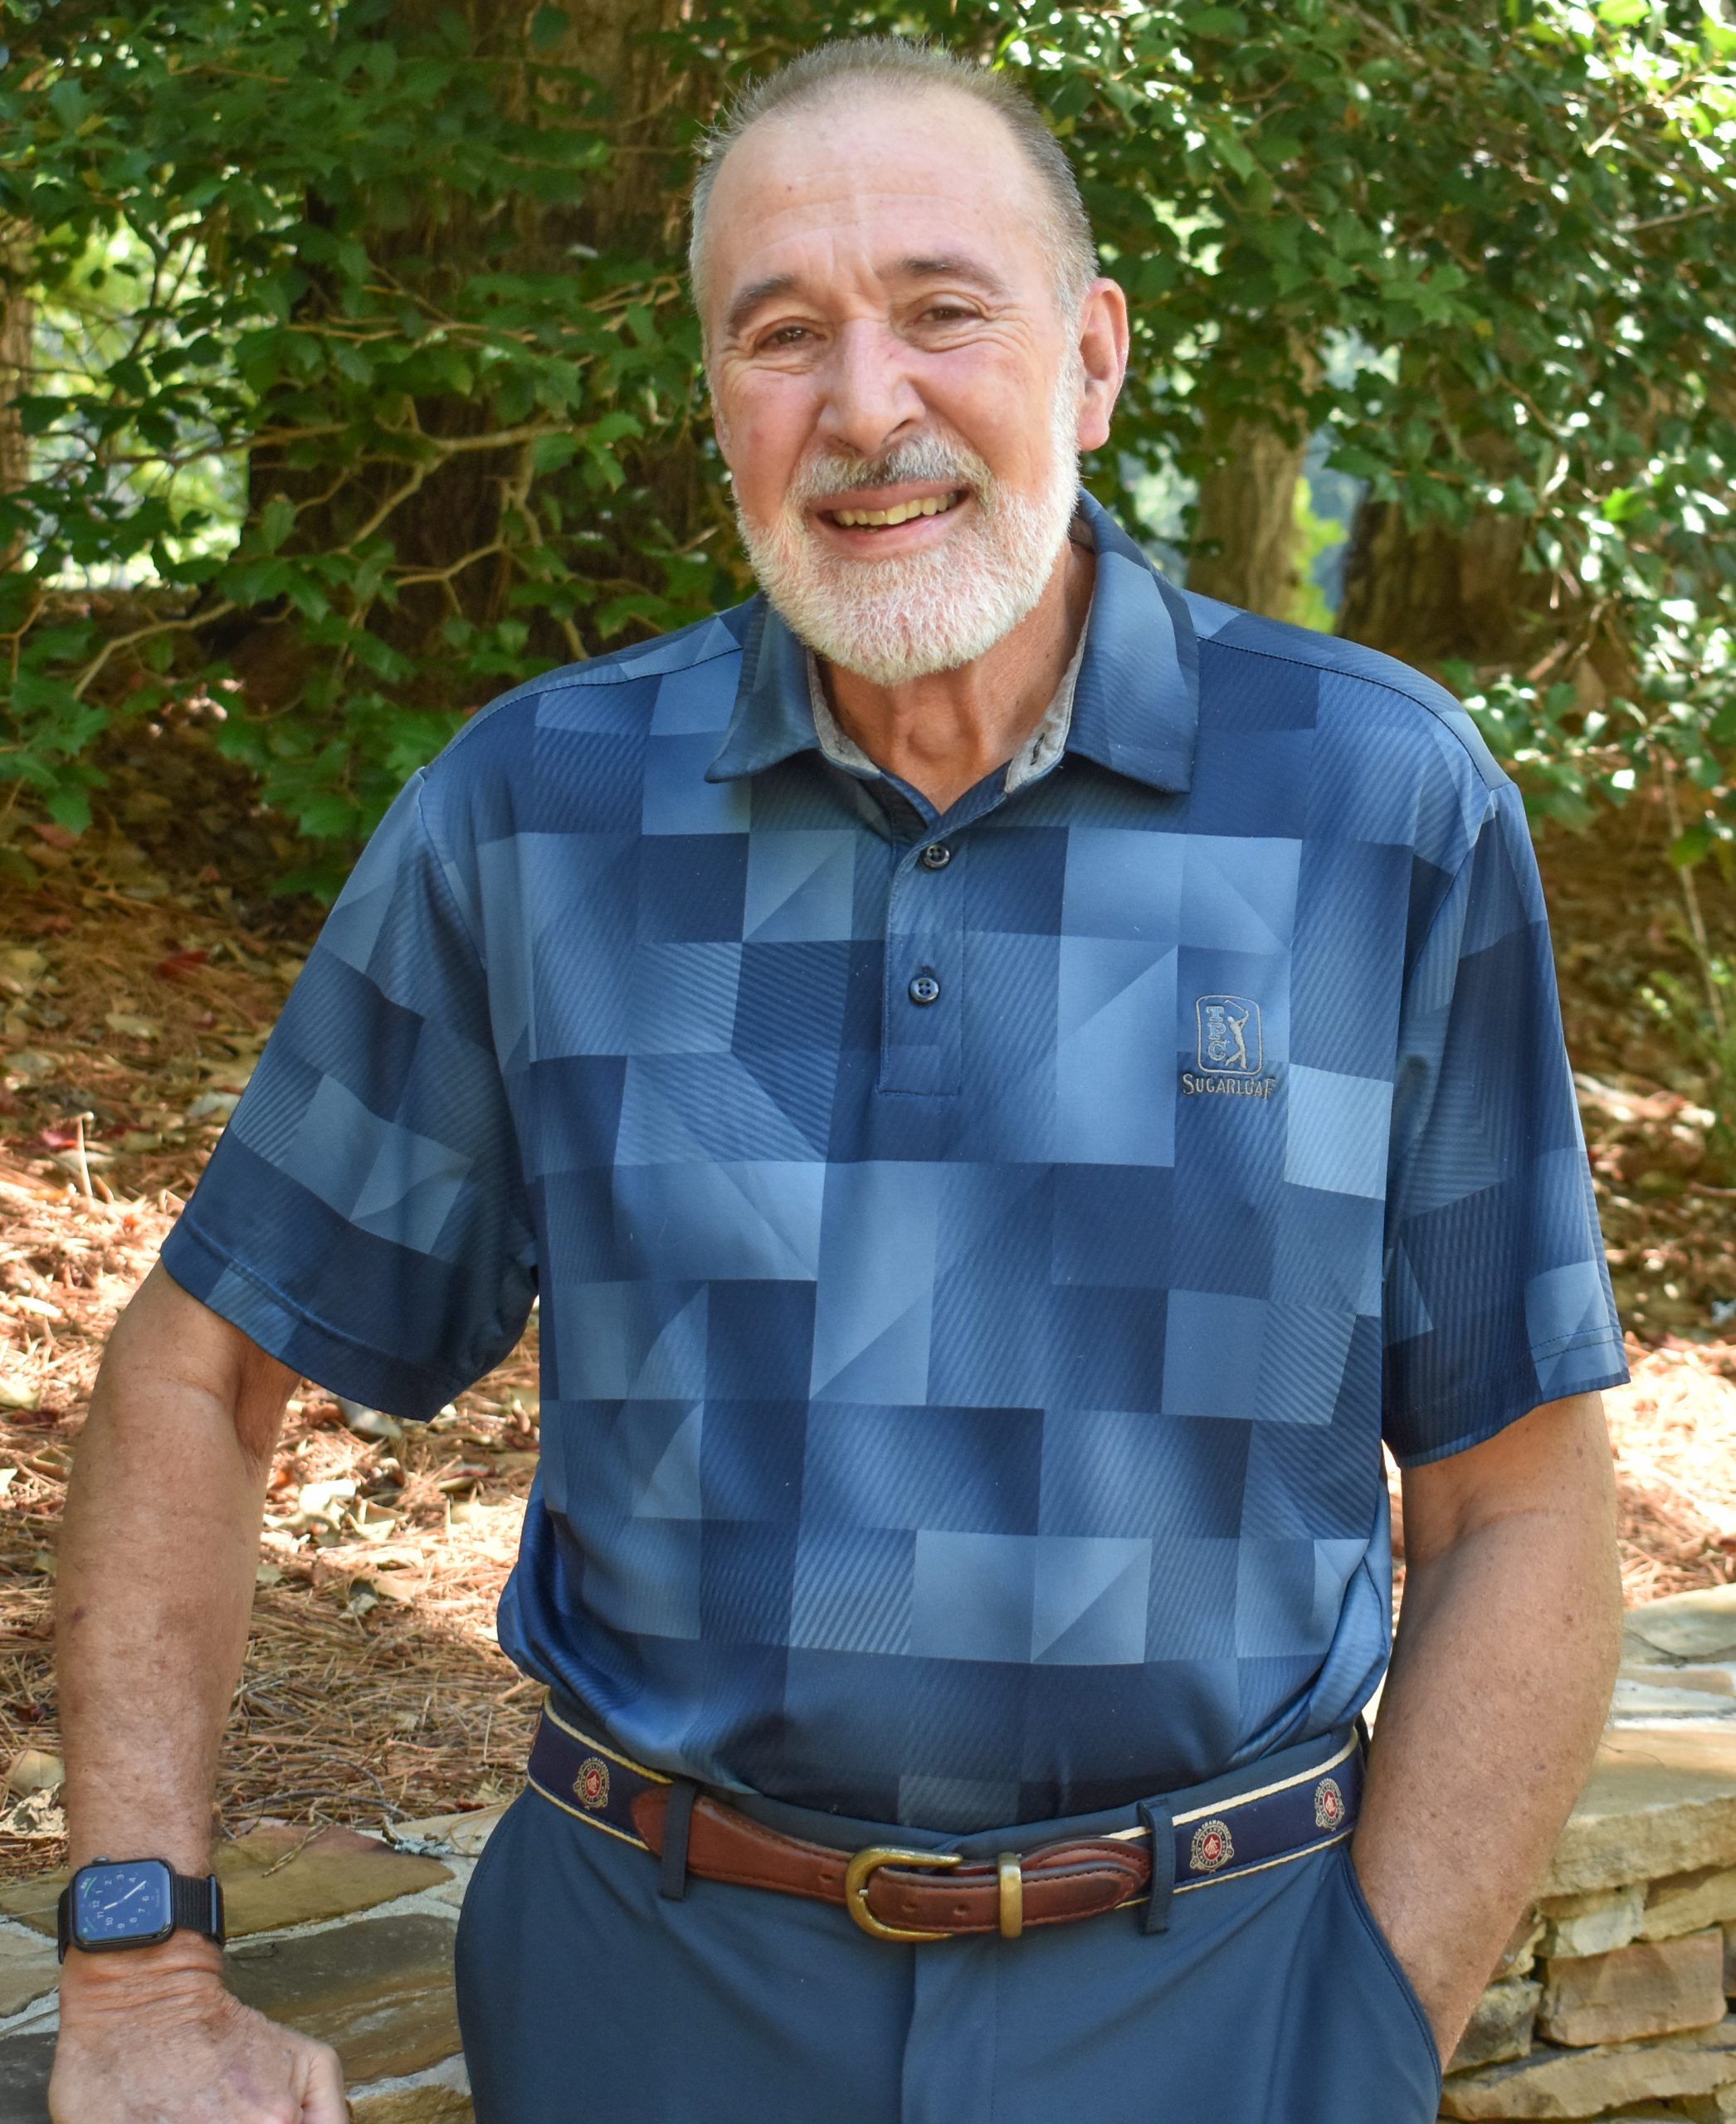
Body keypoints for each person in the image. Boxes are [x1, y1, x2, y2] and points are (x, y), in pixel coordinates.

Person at [49, 36, 1628, 2124]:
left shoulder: (1370, 803)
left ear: (1091, 357)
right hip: (646, 2001)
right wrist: (143, 1956)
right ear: (716, 396)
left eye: (940, 309)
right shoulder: (542, 815)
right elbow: (195, 1367)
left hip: (1213, 1997)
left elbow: (1520, 1496)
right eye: (780, 333)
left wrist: (1361, 2031)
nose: (866, 404)